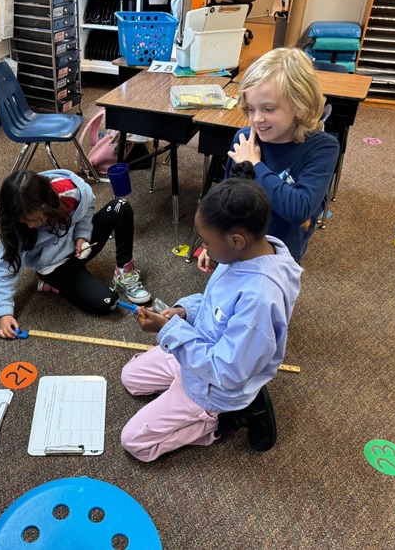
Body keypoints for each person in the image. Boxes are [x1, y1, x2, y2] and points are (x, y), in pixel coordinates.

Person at [120, 178, 302, 462]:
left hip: (216, 385)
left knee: (135, 443)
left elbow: (226, 371)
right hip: (200, 350)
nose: (201, 249)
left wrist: (170, 331)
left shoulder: (258, 299)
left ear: (236, 241)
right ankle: (184, 397)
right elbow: (213, 306)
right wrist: (183, 312)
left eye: (206, 242)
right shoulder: (243, 255)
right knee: (130, 378)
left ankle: (221, 422)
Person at [0, 168, 150, 339]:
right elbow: (5, 266)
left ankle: (123, 273)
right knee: (109, 303)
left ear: (46, 204)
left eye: (33, 219)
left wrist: (81, 237)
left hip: (79, 247)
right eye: (24, 221)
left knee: (121, 207)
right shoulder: (15, 223)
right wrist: (3, 312)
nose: (29, 225)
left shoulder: (71, 193)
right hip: (55, 266)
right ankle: (55, 284)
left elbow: (86, 212)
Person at [222, 46, 340, 264]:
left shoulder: (323, 148)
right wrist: (215, 240)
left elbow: (298, 210)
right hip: (237, 248)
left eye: (268, 109)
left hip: (280, 258)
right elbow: (227, 199)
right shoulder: (245, 139)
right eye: (250, 109)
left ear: (300, 107)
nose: (256, 119)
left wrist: (254, 165)